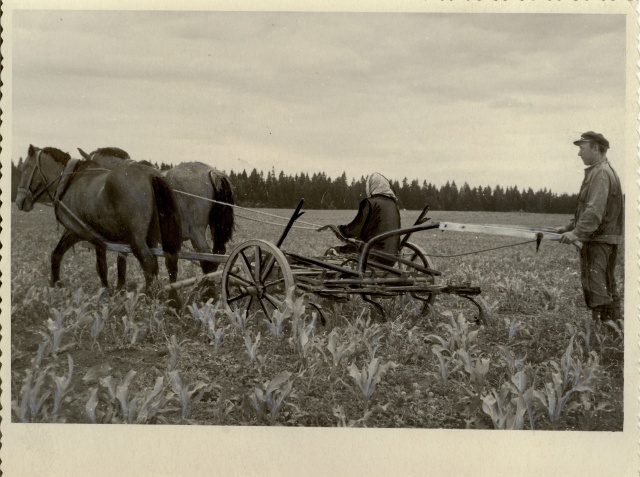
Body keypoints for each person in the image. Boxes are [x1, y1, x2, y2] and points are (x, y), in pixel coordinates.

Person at [557, 131, 623, 322]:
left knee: (598, 284)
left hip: (599, 238)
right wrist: (570, 226)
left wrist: (576, 233)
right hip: (602, 237)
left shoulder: (601, 173)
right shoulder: (599, 171)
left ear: (595, 148)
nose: (579, 154)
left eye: (582, 149)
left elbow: (594, 211)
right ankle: (612, 328)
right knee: (604, 282)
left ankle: (605, 329)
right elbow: (589, 207)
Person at [320, 172, 401, 264]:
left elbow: (356, 229)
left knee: (333, 251)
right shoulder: (394, 205)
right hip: (391, 258)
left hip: (371, 255)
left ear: (372, 185)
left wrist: (340, 230)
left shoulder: (369, 202)